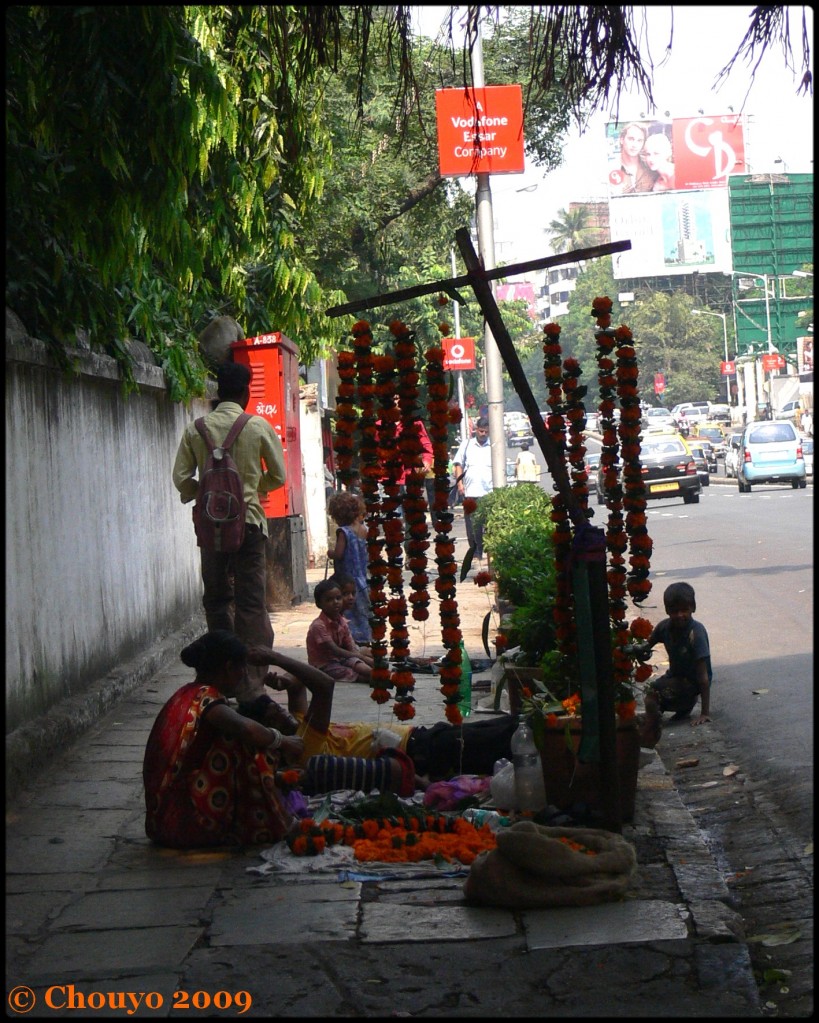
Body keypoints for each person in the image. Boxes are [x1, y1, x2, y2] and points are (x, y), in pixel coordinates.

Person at [243, 644, 522, 786]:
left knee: (499, 732)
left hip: (418, 739)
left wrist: (286, 683)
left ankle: (538, 734)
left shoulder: (299, 723)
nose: (284, 714)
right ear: (271, 733)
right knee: (501, 740)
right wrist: (275, 657)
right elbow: (323, 685)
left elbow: (298, 688)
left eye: (278, 708)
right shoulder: (303, 746)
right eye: (276, 716)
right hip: (416, 754)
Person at [172, 361, 285, 706]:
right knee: (251, 603)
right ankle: (252, 682)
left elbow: (181, 479)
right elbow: (278, 477)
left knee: (218, 600)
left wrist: (203, 494)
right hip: (249, 524)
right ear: (246, 391)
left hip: (211, 528)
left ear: (218, 391)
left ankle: (220, 679)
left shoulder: (196, 429)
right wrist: (249, 490)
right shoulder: (258, 427)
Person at [142, 631, 303, 849]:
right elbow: (246, 729)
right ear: (229, 667)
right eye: (242, 667)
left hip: (159, 820)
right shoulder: (207, 698)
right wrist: (282, 740)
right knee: (243, 742)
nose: (245, 674)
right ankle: (273, 822)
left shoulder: (186, 692)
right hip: (181, 823)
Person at [640, 582, 712, 747]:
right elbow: (646, 646)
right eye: (674, 611)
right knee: (652, 696)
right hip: (675, 677)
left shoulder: (696, 632)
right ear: (667, 611)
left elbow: (703, 676)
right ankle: (672, 711)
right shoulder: (664, 627)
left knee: (654, 694)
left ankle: (656, 726)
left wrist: (704, 713)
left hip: (691, 683)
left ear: (692, 607)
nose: (679, 615)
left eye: (684, 610)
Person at [306, 578, 372, 683]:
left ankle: (376, 674)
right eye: (329, 600)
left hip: (341, 658)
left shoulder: (342, 621)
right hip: (325, 664)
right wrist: (363, 657)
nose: (336, 602)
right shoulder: (318, 626)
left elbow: (350, 648)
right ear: (319, 604)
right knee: (352, 673)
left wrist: (364, 660)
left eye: (338, 598)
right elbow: (335, 650)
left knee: (358, 664)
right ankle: (375, 678)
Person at [327, 491, 371, 645]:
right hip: (363, 579)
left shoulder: (343, 532)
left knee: (347, 613)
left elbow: (339, 554)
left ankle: (349, 641)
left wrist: (330, 553)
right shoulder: (363, 530)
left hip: (346, 579)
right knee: (362, 613)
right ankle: (365, 639)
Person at [453, 415, 494, 560]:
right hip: (471, 492)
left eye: (486, 432)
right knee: (472, 525)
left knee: (488, 523)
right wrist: (460, 484)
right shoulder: (467, 445)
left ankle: (489, 550)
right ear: (476, 430)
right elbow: (458, 464)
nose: (483, 434)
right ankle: (476, 551)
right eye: (481, 431)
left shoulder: (493, 446)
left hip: (488, 492)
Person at [609, 121, 658, 195]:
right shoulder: (611, 168)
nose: (635, 145)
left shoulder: (650, 164)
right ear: (622, 139)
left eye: (639, 140)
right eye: (631, 139)